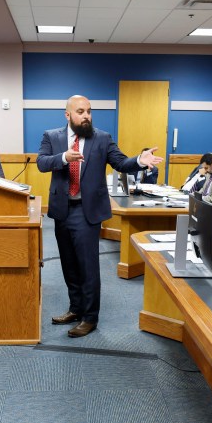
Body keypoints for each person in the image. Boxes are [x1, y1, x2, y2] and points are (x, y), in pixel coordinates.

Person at [37, 95, 163, 338]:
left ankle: (90, 318)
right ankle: (75, 309)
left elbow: (121, 163)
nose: (86, 116)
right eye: (81, 112)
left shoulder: (102, 138)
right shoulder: (51, 137)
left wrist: (139, 160)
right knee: (69, 265)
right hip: (62, 211)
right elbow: (42, 163)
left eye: (89, 111)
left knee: (88, 267)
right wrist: (64, 158)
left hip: (87, 212)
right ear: (68, 115)